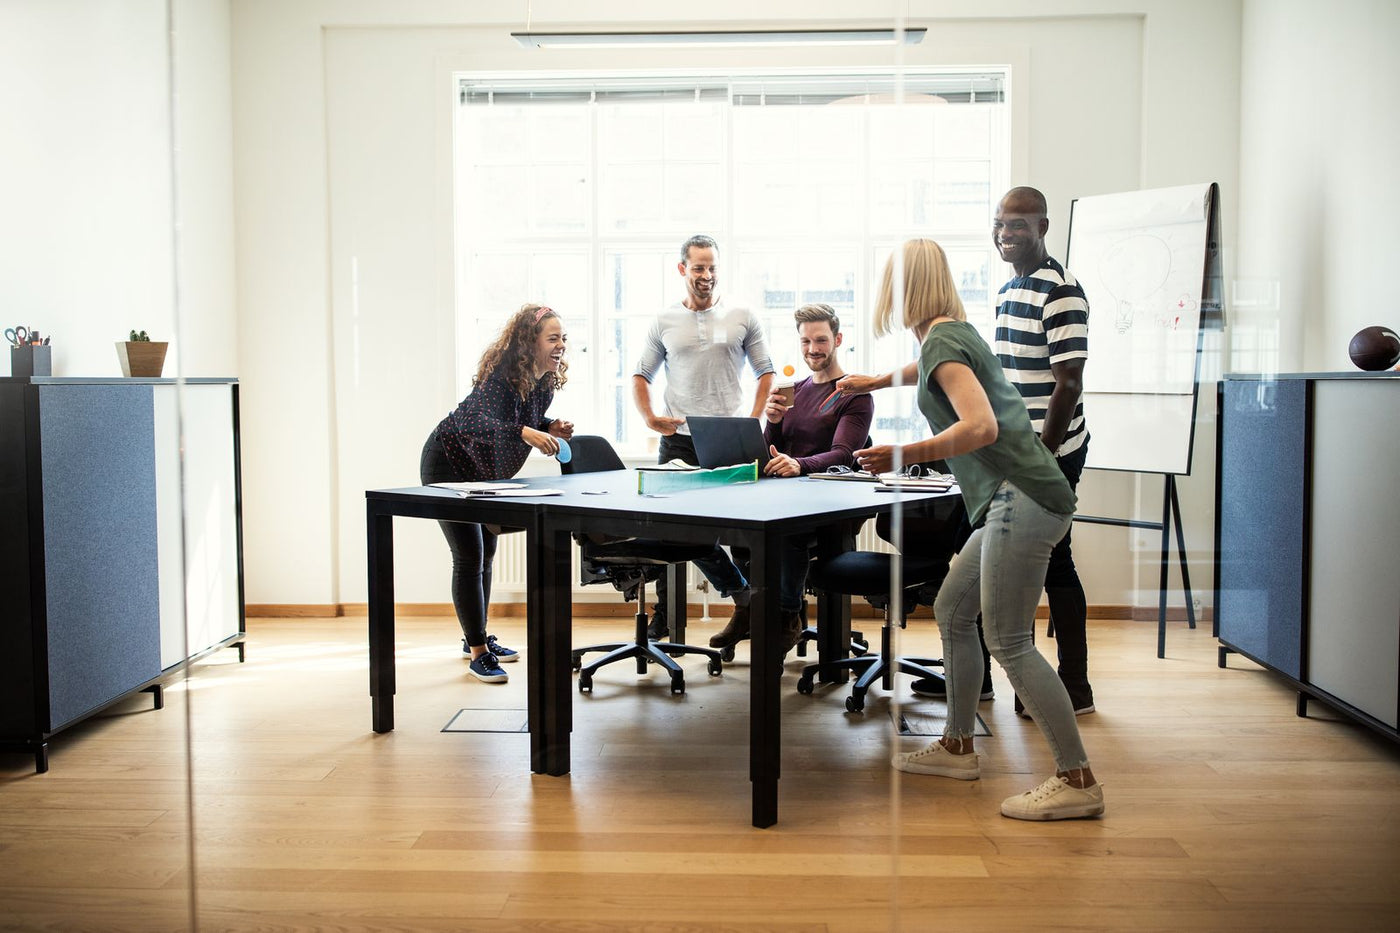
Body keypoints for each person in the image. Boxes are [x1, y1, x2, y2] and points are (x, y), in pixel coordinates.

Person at [855, 238, 1103, 821]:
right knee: (951, 610)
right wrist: (874, 383)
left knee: (1009, 640)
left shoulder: (943, 339)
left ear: (904, 288)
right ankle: (957, 746)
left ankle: (1078, 780)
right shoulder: (951, 334)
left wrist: (901, 453)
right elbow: (930, 372)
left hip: (1023, 497)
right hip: (1015, 497)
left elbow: (981, 427)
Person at [837, 187, 1096, 716]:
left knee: (1038, 589)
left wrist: (1041, 456)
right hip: (1008, 457)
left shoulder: (1061, 290)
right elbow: (955, 366)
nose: (1005, 233)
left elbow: (1066, 383)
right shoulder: (995, 299)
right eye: (999, 223)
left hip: (1039, 455)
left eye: (1017, 224)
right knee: (965, 596)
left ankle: (1070, 689)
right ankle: (974, 692)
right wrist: (878, 381)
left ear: (1043, 227)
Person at [706, 303, 875, 653]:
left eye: (821, 340)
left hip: (824, 505)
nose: (813, 349)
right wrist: (773, 423)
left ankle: (786, 615)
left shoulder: (854, 394)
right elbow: (770, 452)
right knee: (735, 530)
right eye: (806, 341)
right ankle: (747, 607)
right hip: (781, 496)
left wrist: (799, 464)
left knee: (785, 533)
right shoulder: (793, 390)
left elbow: (844, 455)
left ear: (838, 340)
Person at [420, 304, 574, 684]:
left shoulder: (542, 381)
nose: (561, 346)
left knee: (486, 552)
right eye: (553, 338)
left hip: (479, 469)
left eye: (563, 339)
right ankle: (478, 654)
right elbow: (476, 422)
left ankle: (476, 636)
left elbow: (516, 418)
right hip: (448, 463)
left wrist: (547, 426)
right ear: (530, 342)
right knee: (469, 556)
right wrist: (526, 432)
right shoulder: (501, 378)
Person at [633, 235, 774, 643]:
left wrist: (752, 421)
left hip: (730, 441)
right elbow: (641, 374)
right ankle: (673, 613)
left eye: (712, 267)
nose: (707, 275)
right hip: (679, 441)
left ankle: (750, 612)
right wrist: (650, 418)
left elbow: (766, 372)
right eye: (698, 267)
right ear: (683, 269)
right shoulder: (664, 320)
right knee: (671, 530)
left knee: (741, 532)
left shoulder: (742, 316)